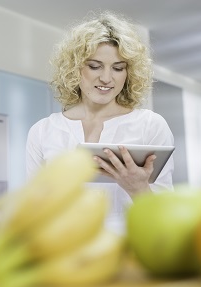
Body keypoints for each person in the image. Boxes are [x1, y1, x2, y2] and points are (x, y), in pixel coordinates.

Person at [25, 11, 174, 234]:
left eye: (118, 68)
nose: (106, 78)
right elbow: (33, 211)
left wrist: (138, 188)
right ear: (75, 68)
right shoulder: (42, 131)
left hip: (132, 251)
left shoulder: (150, 125)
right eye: (95, 66)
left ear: (128, 73)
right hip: (66, 255)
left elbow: (167, 220)